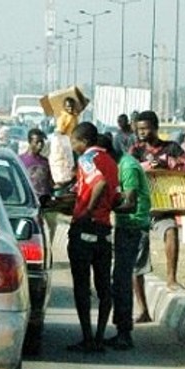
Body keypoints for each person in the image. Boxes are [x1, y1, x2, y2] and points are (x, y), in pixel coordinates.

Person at [66, 121, 119, 353]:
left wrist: (86, 211)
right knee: (103, 286)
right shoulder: (111, 161)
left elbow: (99, 184)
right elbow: (113, 193)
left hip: (85, 228)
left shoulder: (86, 159)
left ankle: (87, 337)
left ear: (84, 142)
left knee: (81, 285)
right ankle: (99, 336)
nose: (73, 146)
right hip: (104, 230)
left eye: (74, 142)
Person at [100, 135, 152, 348]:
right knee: (119, 279)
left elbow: (129, 203)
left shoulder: (127, 167)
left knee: (121, 280)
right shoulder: (119, 165)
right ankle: (121, 329)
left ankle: (124, 332)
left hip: (133, 227)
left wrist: (103, 208)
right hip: (125, 227)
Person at [128, 110, 185, 291]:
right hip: (141, 208)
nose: (142, 132)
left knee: (171, 231)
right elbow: (129, 170)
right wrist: (148, 166)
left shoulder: (172, 147)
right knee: (138, 257)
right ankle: (143, 308)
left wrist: (168, 162)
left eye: (146, 128)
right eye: (139, 129)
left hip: (163, 207)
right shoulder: (136, 150)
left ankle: (171, 279)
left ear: (156, 128)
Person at [19, 128, 58, 240]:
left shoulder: (45, 162)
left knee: (47, 230)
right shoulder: (21, 160)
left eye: (42, 142)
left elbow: (50, 182)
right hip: (28, 202)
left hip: (44, 202)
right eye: (37, 142)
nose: (40, 145)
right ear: (30, 142)